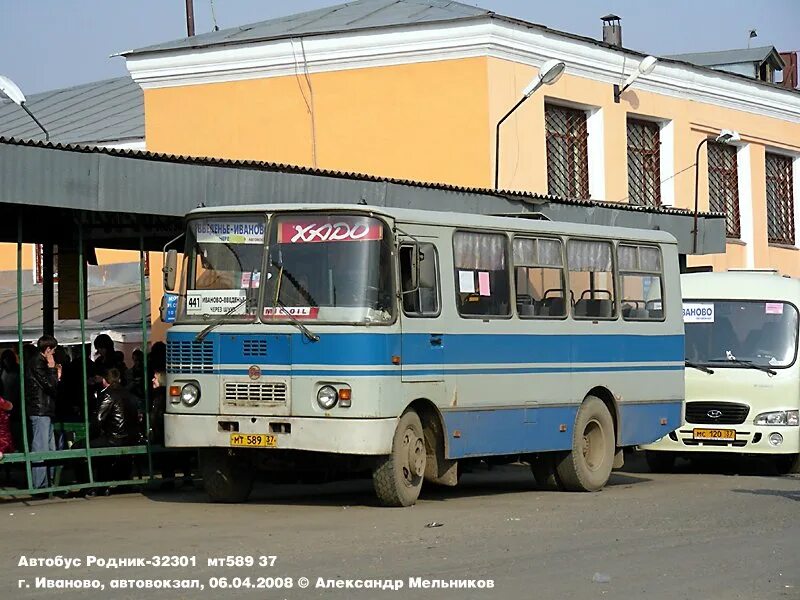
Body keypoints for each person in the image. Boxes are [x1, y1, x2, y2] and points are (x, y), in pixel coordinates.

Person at [25, 335, 61, 489]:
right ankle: (40, 484)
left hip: (44, 410)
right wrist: (54, 371)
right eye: (53, 351)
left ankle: (49, 481)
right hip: (41, 410)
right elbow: (50, 386)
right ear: (47, 350)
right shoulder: (38, 363)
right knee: (41, 448)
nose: (54, 354)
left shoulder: (37, 362)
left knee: (49, 447)